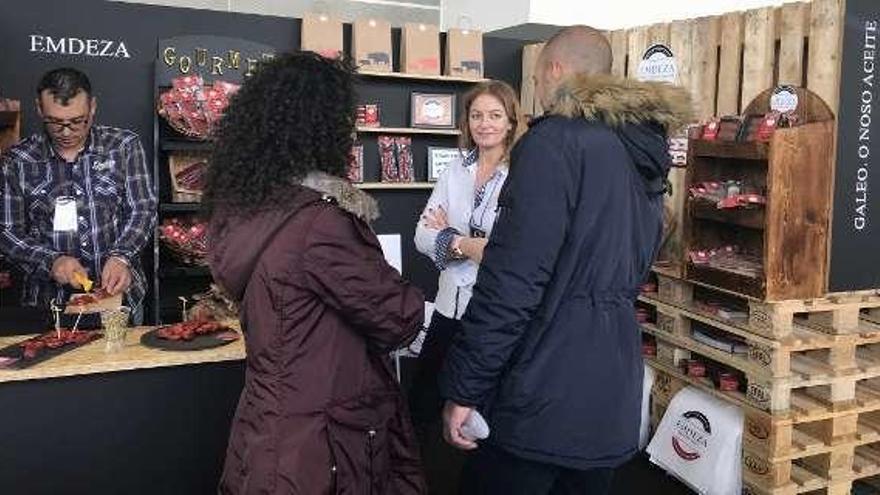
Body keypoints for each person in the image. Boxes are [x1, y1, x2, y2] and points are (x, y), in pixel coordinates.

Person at [439, 26, 693, 494]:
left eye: (536, 79)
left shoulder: (554, 144)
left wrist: (464, 388)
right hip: (612, 384)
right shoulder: (641, 150)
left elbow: (513, 284)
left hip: (541, 390)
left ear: (554, 70)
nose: (537, 89)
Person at [204, 52, 426, 494]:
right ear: (319, 126)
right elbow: (400, 317)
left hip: (269, 430)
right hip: (322, 445)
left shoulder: (244, 207)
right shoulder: (321, 225)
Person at [410, 80, 523, 492]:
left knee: (481, 417)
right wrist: (465, 243)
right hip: (447, 306)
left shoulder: (523, 176)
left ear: (511, 122)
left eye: (495, 115)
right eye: (477, 115)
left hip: (491, 314)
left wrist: (453, 238)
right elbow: (422, 235)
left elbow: (509, 255)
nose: (485, 124)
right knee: (423, 406)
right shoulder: (456, 169)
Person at [0, 67, 156, 320]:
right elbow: (7, 231)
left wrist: (122, 257)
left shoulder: (123, 147)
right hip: (49, 304)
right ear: (39, 109)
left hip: (120, 299)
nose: (66, 132)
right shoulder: (19, 161)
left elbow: (142, 209)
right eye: (55, 122)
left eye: (77, 121)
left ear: (92, 107)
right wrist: (51, 261)